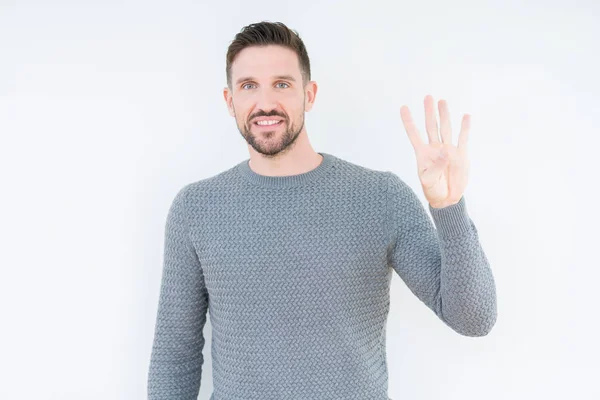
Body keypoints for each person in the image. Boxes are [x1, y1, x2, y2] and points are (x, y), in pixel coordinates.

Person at [147, 21, 497, 400]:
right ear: (230, 101)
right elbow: (174, 357)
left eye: (282, 84)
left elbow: (473, 319)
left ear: (309, 95)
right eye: (249, 86)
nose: (265, 103)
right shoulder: (195, 209)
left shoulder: (381, 197)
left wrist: (449, 208)